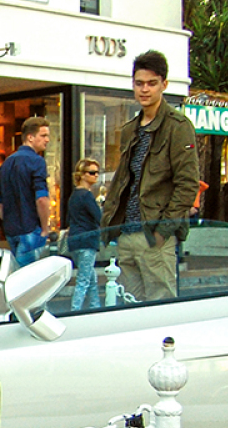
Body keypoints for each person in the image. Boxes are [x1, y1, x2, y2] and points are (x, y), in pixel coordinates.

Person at [100, 49, 199, 302]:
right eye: (139, 83)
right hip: (126, 234)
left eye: (152, 84)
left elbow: (187, 184)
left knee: (160, 308)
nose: (145, 90)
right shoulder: (130, 129)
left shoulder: (178, 126)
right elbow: (123, 183)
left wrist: (162, 232)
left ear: (164, 85)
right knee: (128, 307)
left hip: (154, 234)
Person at [0, 116, 52, 266]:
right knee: (30, 278)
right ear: (30, 137)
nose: (47, 140)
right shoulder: (37, 161)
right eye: (43, 135)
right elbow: (41, 198)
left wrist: (10, 218)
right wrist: (45, 228)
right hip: (31, 228)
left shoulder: (6, 164)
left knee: (18, 272)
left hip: (12, 230)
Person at [67, 158, 103, 311]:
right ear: (82, 175)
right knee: (83, 280)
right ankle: (75, 310)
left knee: (90, 278)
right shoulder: (87, 196)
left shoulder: (74, 195)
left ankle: (96, 307)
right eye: (92, 172)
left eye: (97, 173)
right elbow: (98, 217)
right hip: (87, 241)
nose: (96, 176)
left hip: (75, 240)